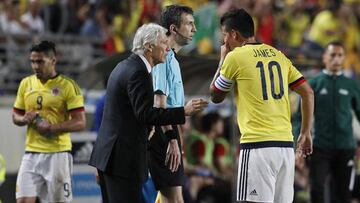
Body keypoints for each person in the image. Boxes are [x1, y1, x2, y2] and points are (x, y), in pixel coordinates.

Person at [88, 23, 207, 203]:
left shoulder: (124, 66)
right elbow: (145, 114)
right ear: (149, 47)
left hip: (109, 158)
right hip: (123, 162)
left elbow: (130, 113)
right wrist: (183, 111)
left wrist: (148, 126)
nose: (168, 48)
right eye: (163, 43)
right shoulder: (139, 72)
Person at [209, 9, 314, 203]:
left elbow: (215, 95)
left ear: (234, 34)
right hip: (285, 147)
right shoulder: (278, 55)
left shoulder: (235, 57)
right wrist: (305, 133)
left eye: (225, 36)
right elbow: (307, 92)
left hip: (257, 147)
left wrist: (222, 59)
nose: (224, 42)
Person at [12, 40, 86, 203]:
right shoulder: (26, 84)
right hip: (31, 153)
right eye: (32, 61)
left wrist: (52, 128)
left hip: (57, 154)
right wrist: (23, 119)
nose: (35, 66)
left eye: (40, 61)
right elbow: (15, 116)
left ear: (53, 60)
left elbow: (80, 122)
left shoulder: (68, 86)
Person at [294, 41, 360, 203]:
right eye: (332, 55)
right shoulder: (314, 83)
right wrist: (299, 142)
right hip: (319, 146)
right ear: (324, 57)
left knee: (343, 193)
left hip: (346, 146)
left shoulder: (351, 84)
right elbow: (299, 117)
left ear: (344, 58)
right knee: (317, 189)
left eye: (340, 55)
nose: (336, 59)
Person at [149, 5, 197, 203]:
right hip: (162, 132)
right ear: (174, 28)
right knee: (175, 200)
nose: (194, 29)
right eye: (189, 24)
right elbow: (160, 103)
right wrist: (172, 139)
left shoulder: (172, 59)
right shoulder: (163, 56)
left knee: (167, 198)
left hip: (170, 131)